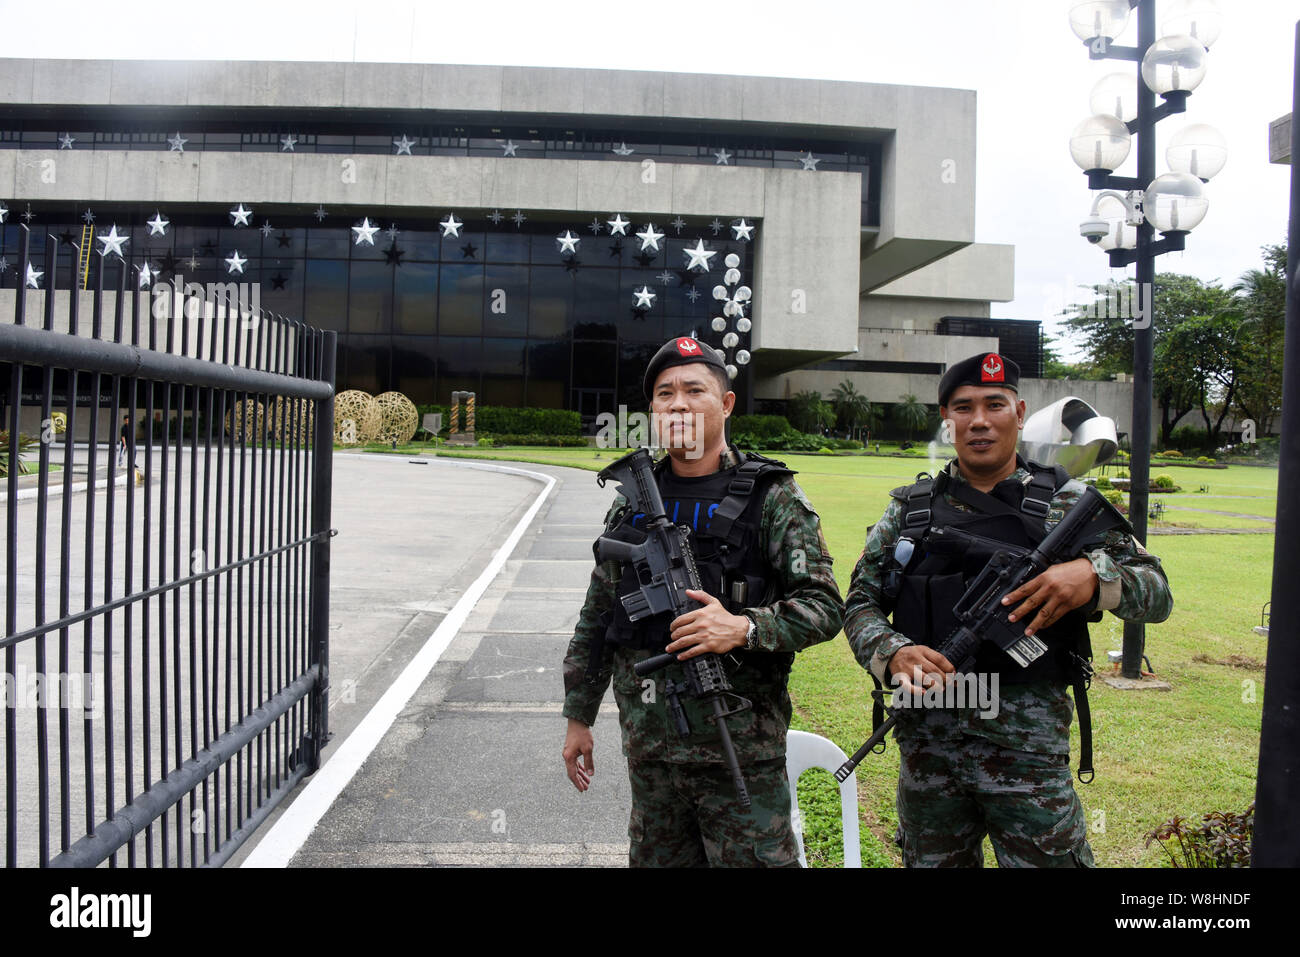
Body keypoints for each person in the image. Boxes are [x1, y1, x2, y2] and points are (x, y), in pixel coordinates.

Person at [844, 351, 1173, 868]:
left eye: (994, 404)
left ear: (1019, 413)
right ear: (947, 420)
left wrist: (1091, 578)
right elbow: (860, 601)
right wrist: (892, 653)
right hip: (929, 756)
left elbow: (1157, 592)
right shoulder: (909, 509)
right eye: (963, 407)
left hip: (1029, 757)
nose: (979, 420)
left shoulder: (1068, 502)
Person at [561, 335, 844, 867]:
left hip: (740, 751)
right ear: (652, 409)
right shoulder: (632, 501)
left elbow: (826, 606)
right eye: (665, 394)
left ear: (727, 404)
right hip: (651, 753)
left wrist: (743, 628)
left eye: (695, 390)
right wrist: (579, 715)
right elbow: (598, 614)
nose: (679, 404)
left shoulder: (772, 496)